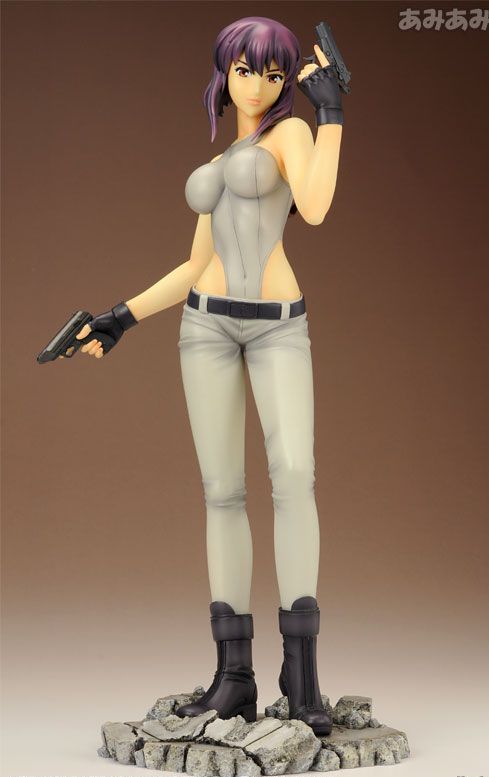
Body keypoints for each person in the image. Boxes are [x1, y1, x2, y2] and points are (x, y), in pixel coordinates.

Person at [68, 16, 343, 737]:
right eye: (246, 70)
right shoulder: (226, 155)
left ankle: (302, 679)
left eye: (274, 73)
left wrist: (334, 116)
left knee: (294, 478)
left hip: (277, 324)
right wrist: (120, 317)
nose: (259, 84)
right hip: (205, 325)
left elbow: (315, 208)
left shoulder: (293, 133)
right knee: (222, 493)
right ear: (226, 73)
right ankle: (234, 678)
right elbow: (196, 263)